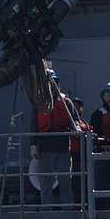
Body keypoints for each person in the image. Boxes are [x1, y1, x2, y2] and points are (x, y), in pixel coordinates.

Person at [34, 77, 87, 207]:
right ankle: (47, 210)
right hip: (45, 147)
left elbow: (75, 119)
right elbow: (33, 124)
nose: (52, 85)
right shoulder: (39, 102)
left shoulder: (66, 102)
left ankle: (67, 209)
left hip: (63, 146)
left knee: (65, 181)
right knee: (46, 182)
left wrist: (77, 128)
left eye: (54, 82)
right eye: (49, 82)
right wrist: (33, 144)